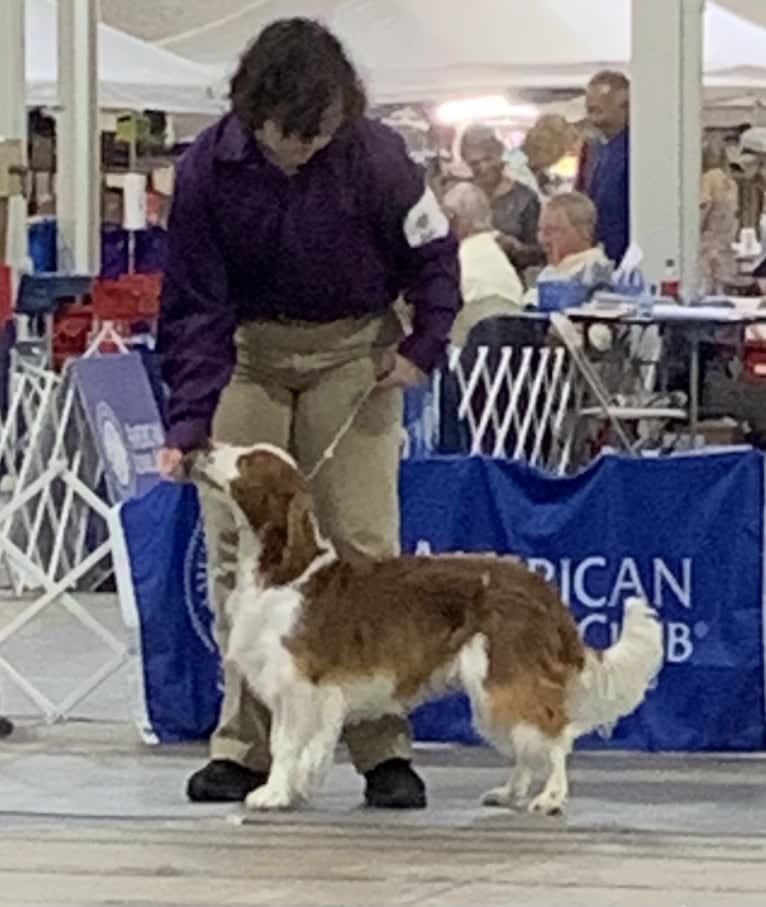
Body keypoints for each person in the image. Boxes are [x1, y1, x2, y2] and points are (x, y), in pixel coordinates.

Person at [157, 18, 461, 808]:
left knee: (363, 543)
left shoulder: (377, 158)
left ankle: (382, 746)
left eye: (319, 134)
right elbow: (190, 305)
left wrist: (423, 344)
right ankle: (246, 746)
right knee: (237, 550)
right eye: (288, 136)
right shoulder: (205, 171)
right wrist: (190, 421)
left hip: (353, 352)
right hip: (248, 351)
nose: (303, 149)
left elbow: (433, 254)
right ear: (251, 112)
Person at [441, 182, 524, 345]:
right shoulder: (496, 252)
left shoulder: (458, 257)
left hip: (466, 349)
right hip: (511, 350)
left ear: (453, 220)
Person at [460, 124, 544, 273]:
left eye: (487, 159)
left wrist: (517, 249)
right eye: (474, 163)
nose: (483, 167)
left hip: (510, 282)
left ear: (500, 154)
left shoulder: (524, 198)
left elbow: (541, 252)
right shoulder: (461, 197)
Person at [527, 192, 611, 306]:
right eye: (540, 230)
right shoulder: (550, 271)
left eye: (551, 231)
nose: (542, 240)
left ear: (584, 232)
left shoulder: (594, 275)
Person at [585, 71, 630, 266]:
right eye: (589, 96)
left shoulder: (638, 151)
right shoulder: (600, 150)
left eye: (604, 95)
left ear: (626, 104)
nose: (591, 103)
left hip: (629, 261)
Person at [700, 136, 739, 294]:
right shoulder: (731, 182)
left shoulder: (709, 178)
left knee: (707, 284)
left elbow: (706, 204)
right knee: (721, 287)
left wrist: (694, 229)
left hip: (709, 236)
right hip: (725, 237)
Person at [507, 114, 574, 200]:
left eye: (561, 153)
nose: (555, 159)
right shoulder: (509, 171)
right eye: (549, 151)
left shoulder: (545, 177)